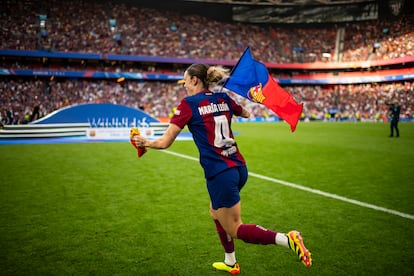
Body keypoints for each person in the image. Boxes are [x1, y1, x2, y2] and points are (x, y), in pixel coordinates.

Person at [132, 63, 312, 274]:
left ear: (195, 80)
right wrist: (240, 97)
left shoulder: (188, 104)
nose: (184, 86)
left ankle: (286, 239)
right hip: (238, 167)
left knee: (235, 228)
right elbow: (245, 112)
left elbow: (164, 142)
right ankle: (230, 262)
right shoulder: (224, 98)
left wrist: (144, 142)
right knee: (214, 212)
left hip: (220, 174)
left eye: (185, 81)